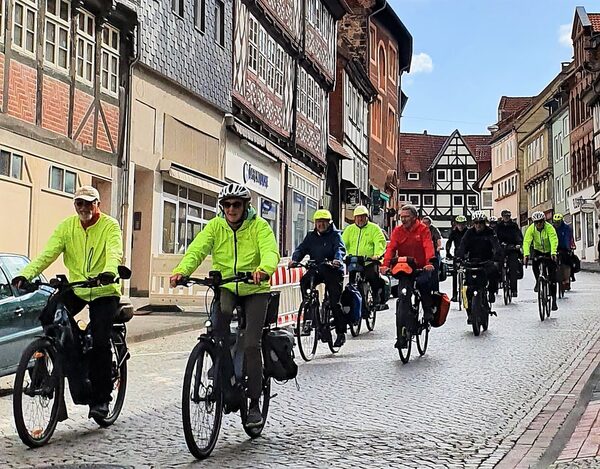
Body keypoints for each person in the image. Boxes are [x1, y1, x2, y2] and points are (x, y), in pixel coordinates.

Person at [170, 183, 280, 428]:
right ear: (222, 207)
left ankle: (253, 403)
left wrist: (264, 270)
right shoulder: (215, 227)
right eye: (227, 205)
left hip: (254, 289)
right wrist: (182, 271)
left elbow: (270, 252)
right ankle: (225, 372)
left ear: (245, 206)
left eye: (236, 205)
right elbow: (196, 250)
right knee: (217, 328)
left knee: (252, 343)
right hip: (228, 286)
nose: (231, 209)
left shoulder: (259, 226)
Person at [12, 186, 123, 420]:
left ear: (98, 205)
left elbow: (114, 253)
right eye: (79, 203)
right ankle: (44, 375)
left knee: (101, 340)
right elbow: (48, 253)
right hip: (79, 288)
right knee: (48, 316)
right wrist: (26, 274)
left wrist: (110, 271)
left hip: (104, 289)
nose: (83, 208)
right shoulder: (67, 227)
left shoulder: (110, 226)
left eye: (88, 203)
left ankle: (101, 399)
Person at [289, 209, 347, 347]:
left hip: (333, 270)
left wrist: (337, 260)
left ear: (329, 222)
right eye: (318, 222)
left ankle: (340, 333)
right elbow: (301, 249)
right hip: (317, 269)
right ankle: (310, 309)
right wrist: (294, 260)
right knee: (304, 282)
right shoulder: (311, 236)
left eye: (323, 222)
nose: (320, 224)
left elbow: (340, 249)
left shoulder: (335, 235)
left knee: (335, 302)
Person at [381, 204, 435, 348]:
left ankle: (427, 310)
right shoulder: (398, 231)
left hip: (421, 267)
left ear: (414, 217)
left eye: (406, 217)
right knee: (403, 296)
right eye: (401, 217)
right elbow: (391, 248)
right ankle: (401, 334)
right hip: (404, 267)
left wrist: (430, 262)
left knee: (424, 284)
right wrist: (385, 265)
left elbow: (428, 246)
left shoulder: (423, 230)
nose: (403, 220)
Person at [455, 211, 502, 322]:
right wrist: (459, 258)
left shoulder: (490, 232)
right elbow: (462, 246)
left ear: (484, 223)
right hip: (472, 262)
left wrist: (497, 257)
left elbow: (496, 246)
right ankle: (469, 314)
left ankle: (491, 291)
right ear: (473, 223)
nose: (478, 225)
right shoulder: (469, 233)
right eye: (476, 223)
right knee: (466, 290)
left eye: (481, 222)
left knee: (494, 271)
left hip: (486, 261)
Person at [341, 205, 387, 308]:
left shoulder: (374, 228)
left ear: (367, 217)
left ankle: (375, 297)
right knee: (352, 284)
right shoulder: (349, 229)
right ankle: (353, 304)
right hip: (354, 261)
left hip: (369, 261)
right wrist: (341, 255)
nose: (360, 219)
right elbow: (342, 244)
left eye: (363, 216)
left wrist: (377, 255)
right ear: (354, 218)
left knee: (373, 277)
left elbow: (379, 242)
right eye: (358, 216)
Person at [523, 211, 559, 311]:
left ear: (544, 221)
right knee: (535, 263)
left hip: (549, 251)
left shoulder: (549, 227)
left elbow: (553, 239)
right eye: (536, 222)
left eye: (540, 222)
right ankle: (538, 281)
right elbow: (527, 241)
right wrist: (526, 254)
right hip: (538, 250)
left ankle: (554, 301)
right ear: (534, 223)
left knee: (552, 279)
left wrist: (553, 253)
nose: (539, 224)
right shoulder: (531, 229)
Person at [495, 209, 524, 297]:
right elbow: (495, 237)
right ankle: (499, 279)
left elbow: (518, 235)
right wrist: (497, 245)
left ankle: (514, 289)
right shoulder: (499, 226)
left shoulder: (514, 225)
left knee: (513, 268)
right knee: (498, 263)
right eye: (505, 217)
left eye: (508, 217)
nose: (506, 218)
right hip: (502, 248)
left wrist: (518, 244)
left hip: (513, 248)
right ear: (502, 217)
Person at [446, 215, 468, 302]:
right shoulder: (454, 232)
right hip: (457, 253)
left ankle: (468, 292)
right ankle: (455, 294)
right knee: (455, 274)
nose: (461, 226)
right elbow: (449, 242)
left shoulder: (468, 232)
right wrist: (448, 252)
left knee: (469, 273)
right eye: (459, 224)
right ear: (456, 224)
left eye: (462, 224)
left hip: (467, 253)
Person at [552, 213, 575, 291]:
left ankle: (567, 280)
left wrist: (569, 248)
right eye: (555, 222)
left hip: (564, 248)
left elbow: (568, 238)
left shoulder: (566, 228)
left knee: (567, 262)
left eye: (558, 222)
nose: (557, 224)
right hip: (554, 248)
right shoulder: (551, 228)